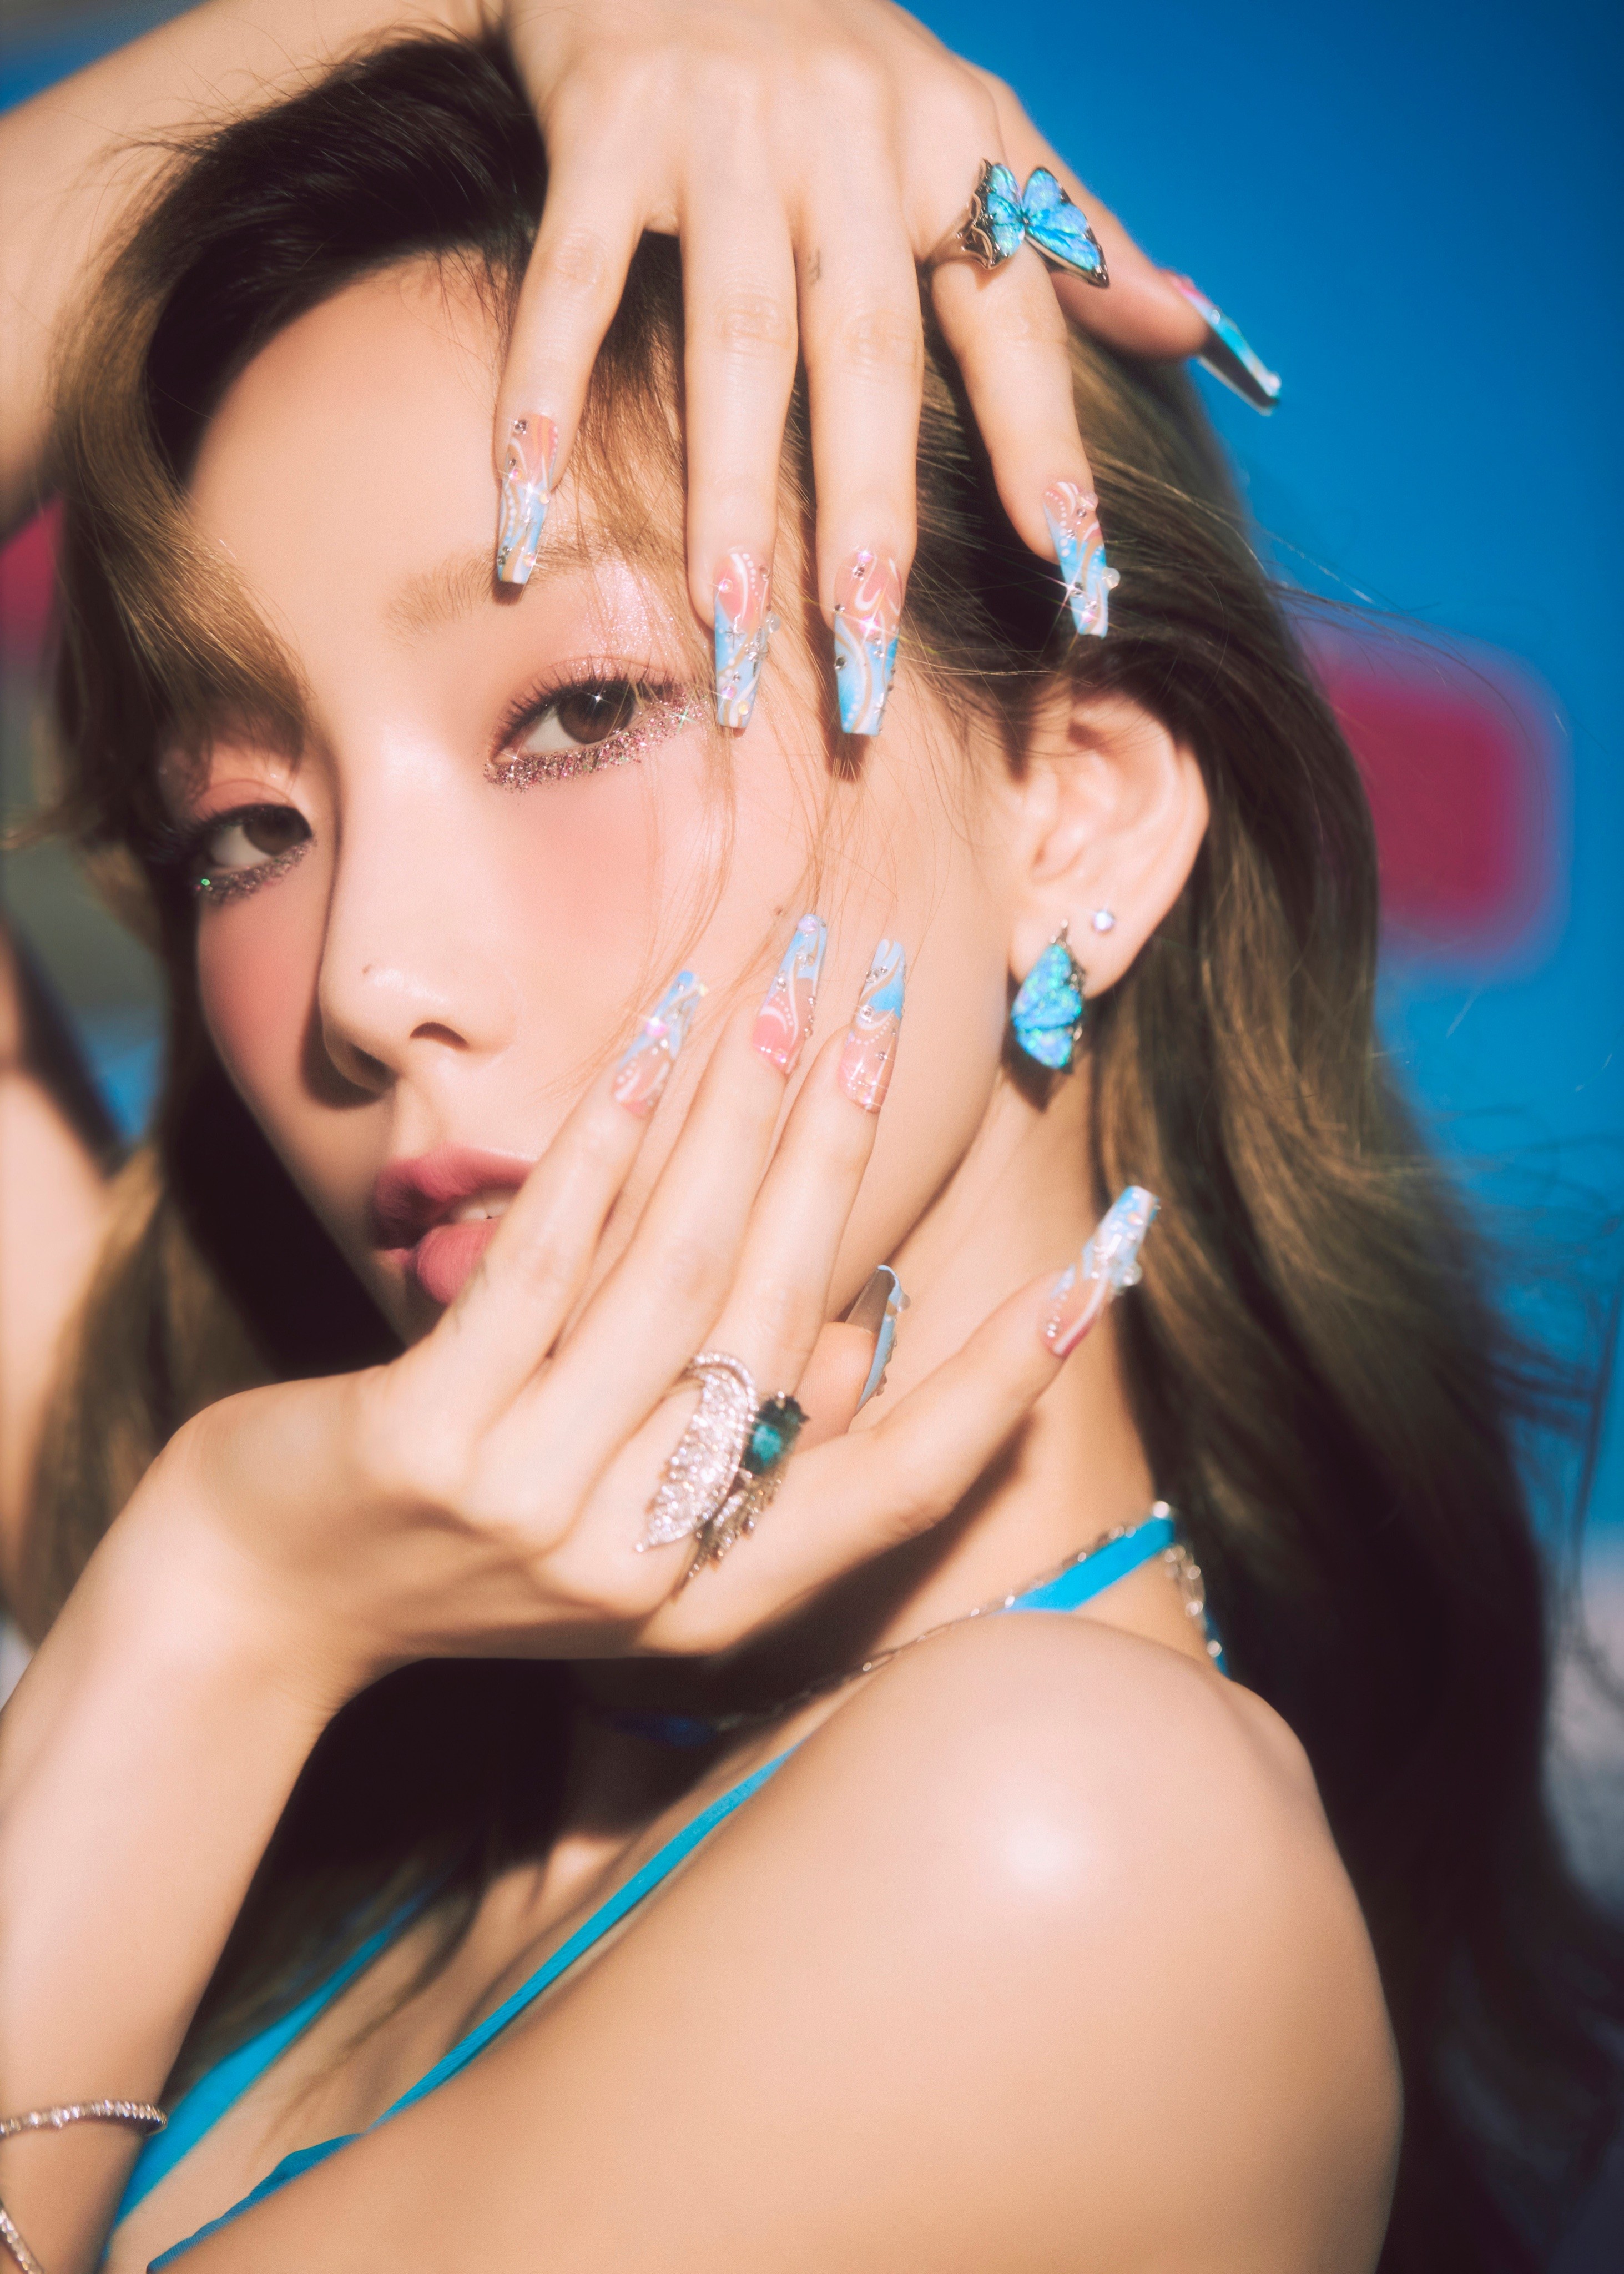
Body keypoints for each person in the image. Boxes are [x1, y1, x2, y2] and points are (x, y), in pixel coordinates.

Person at [0, 10, 1617, 2274]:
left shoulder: (1064, 1859)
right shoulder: (375, 1662)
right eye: (246, 828)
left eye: (580, 710)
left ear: (1076, 817)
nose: (365, 978)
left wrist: (221, 1608)